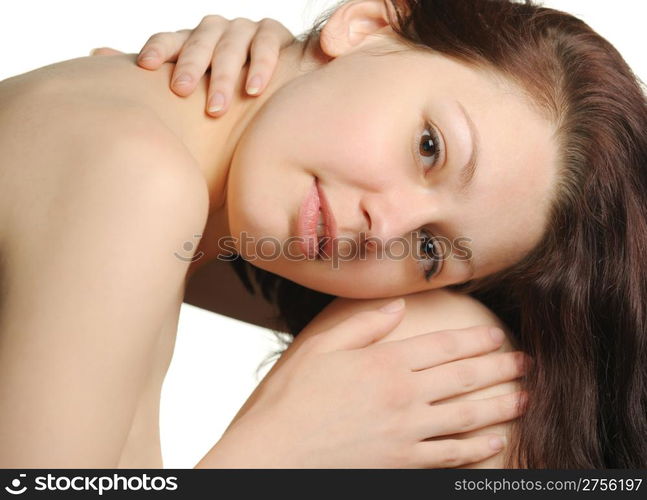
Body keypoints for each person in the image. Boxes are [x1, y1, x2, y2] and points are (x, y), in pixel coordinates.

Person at [0, 0, 644, 469]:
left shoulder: (182, 190)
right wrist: (274, 453)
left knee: (452, 356)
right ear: (364, 25)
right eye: (428, 148)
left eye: (429, 249)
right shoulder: (138, 180)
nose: (385, 228)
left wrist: (298, 61)